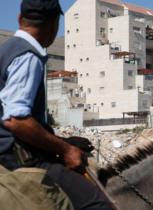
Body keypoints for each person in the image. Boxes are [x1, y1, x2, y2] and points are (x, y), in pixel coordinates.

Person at [0, 0, 113, 209]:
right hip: (19, 158)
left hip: (11, 149)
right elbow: (16, 120)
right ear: (54, 25)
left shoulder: (7, 49)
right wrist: (65, 149)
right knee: (97, 205)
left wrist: (64, 141)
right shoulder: (28, 56)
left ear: (19, 19)